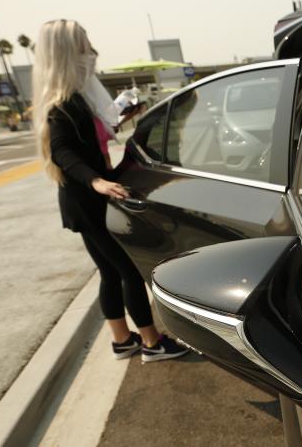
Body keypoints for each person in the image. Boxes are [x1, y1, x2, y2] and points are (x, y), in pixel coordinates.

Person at [32, 19, 188, 362]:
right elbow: (62, 152)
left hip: (84, 201)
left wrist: (122, 118)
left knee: (109, 271)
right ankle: (151, 342)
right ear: (67, 54)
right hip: (88, 200)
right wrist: (96, 180)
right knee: (127, 270)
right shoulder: (65, 104)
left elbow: (85, 143)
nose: (93, 53)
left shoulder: (77, 100)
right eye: (85, 47)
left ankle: (122, 340)